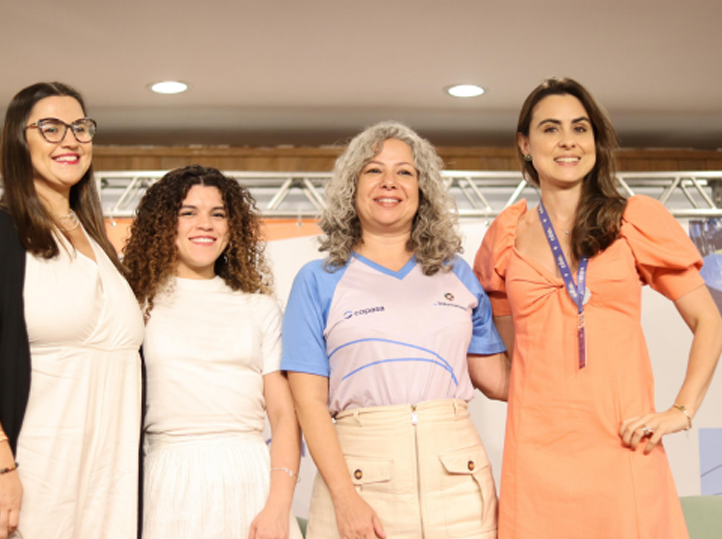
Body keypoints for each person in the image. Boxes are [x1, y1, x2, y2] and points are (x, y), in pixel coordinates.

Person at [473, 77, 722, 539]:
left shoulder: (634, 220)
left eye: (580, 128)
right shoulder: (504, 237)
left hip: (622, 445)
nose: (568, 140)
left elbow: (709, 320)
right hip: (537, 456)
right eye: (550, 128)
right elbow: (514, 363)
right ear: (525, 144)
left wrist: (680, 412)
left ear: (595, 140)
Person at [282, 121, 509, 539]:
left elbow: (500, 381)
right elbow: (309, 404)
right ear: (351, 187)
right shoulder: (317, 280)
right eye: (373, 170)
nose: (390, 182)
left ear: (423, 189)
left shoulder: (457, 274)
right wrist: (344, 496)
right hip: (359, 483)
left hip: (461, 482)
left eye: (405, 171)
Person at [0, 82, 144, 539]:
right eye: (50, 128)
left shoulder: (102, 249)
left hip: (106, 491)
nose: (70, 140)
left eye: (80, 127)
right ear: (20, 139)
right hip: (27, 481)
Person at [122, 165, 303, 539]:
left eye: (217, 214)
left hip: (251, 480)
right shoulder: (137, 305)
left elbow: (285, 416)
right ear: (163, 224)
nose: (205, 224)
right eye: (188, 212)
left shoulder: (260, 307)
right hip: (166, 483)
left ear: (231, 227)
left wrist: (278, 506)